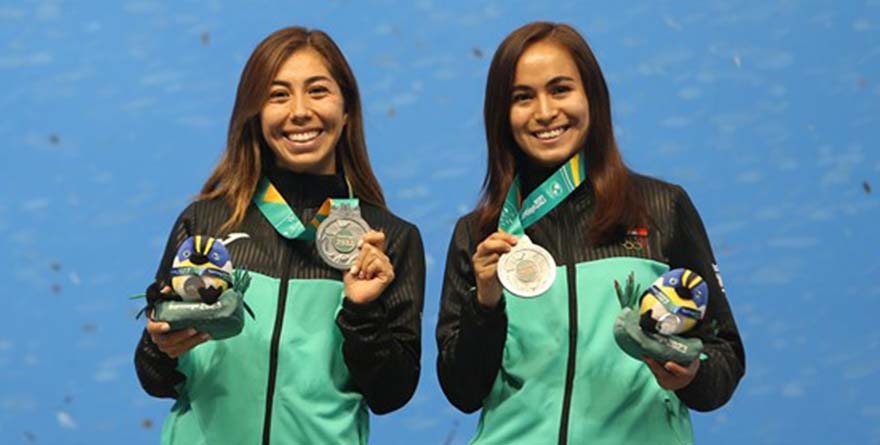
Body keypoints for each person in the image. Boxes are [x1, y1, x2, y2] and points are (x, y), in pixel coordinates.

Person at [436, 21, 744, 444]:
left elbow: (725, 360)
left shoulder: (661, 208)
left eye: (560, 89)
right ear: (501, 115)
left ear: (592, 97)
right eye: (522, 97)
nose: (545, 112)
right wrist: (485, 304)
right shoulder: (481, 234)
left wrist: (690, 373)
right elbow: (462, 392)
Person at [134, 26, 425, 445]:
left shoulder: (388, 240)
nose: (300, 111)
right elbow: (156, 380)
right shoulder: (205, 224)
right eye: (278, 94)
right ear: (255, 114)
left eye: (318, 91)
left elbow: (391, 393)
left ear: (347, 110)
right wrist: (160, 346)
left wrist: (362, 312)